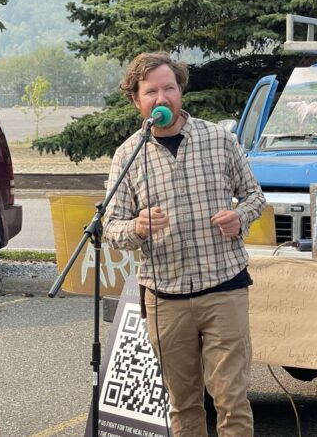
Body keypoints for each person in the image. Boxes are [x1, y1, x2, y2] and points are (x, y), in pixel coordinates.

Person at [103, 51, 265, 437]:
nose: (162, 99)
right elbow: (110, 226)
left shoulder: (219, 139)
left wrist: (239, 217)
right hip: (165, 298)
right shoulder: (128, 155)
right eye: (151, 92)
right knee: (183, 402)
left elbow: (255, 197)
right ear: (136, 100)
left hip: (224, 288)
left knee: (231, 399)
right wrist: (138, 227)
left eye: (169, 88)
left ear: (181, 91)